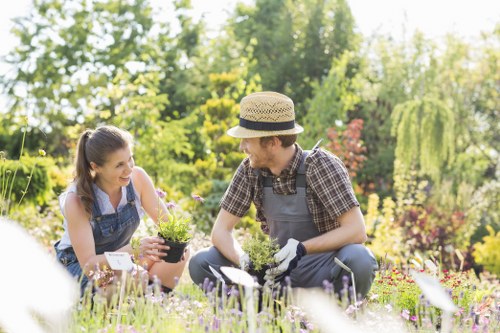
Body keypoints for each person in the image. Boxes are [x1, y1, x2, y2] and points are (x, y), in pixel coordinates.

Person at [189, 91, 378, 299]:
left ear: (273, 142)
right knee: (202, 262)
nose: (242, 147)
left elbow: (356, 230)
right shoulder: (250, 170)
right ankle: (257, 315)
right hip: (273, 275)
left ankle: (336, 316)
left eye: (247, 140)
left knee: (360, 258)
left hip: (321, 272)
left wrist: (301, 248)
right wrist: (243, 258)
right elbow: (220, 231)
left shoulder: (320, 165)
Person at [54, 125, 189, 295]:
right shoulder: (77, 199)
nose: (129, 168)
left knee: (178, 253)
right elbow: (89, 265)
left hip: (119, 261)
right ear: (96, 167)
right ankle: (136, 297)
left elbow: (168, 226)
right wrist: (133, 249)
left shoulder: (137, 178)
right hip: (79, 268)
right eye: (119, 165)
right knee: (130, 279)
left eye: (130, 159)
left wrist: (173, 244)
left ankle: (155, 299)